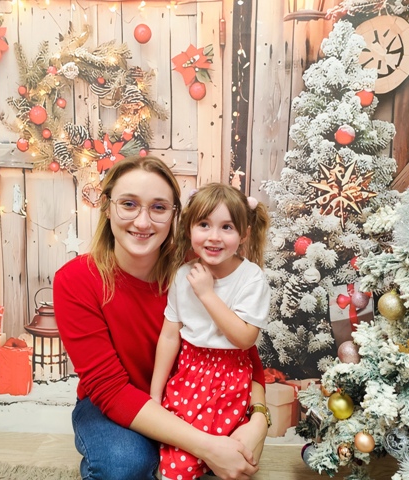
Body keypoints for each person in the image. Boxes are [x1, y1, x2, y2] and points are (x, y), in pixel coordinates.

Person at [53, 155, 270, 480]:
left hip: (190, 398)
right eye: (128, 204)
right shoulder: (76, 280)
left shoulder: (197, 269)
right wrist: (208, 446)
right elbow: (109, 389)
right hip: (113, 404)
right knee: (125, 465)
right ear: (107, 207)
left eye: (158, 207)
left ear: (174, 215)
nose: (143, 222)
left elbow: (240, 349)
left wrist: (260, 420)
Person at [150, 183, 271, 480]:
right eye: (204, 224)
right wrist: (154, 396)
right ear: (189, 228)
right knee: (178, 466)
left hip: (232, 378)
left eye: (227, 227)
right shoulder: (183, 275)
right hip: (190, 375)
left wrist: (207, 294)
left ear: (244, 234)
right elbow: (169, 336)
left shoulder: (251, 278)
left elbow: (245, 338)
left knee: (236, 460)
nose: (214, 236)